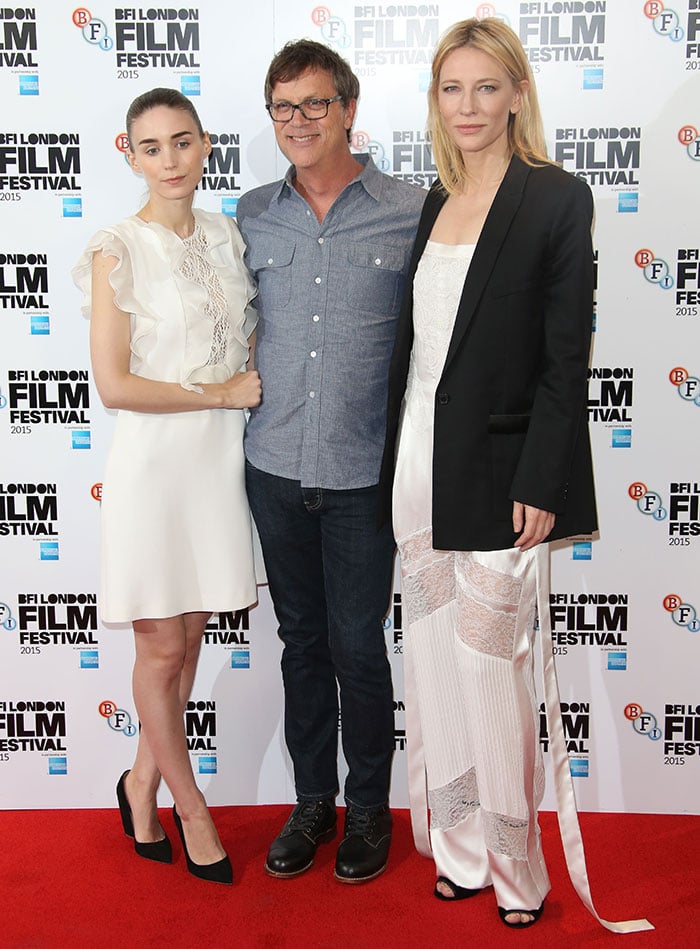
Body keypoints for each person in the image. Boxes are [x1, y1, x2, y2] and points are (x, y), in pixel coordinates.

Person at [379, 18, 652, 934]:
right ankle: (456, 851)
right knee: (433, 663)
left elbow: (564, 356)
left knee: (491, 670)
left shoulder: (555, 198)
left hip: (503, 475)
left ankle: (518, 870)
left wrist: (543, 475)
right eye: (451, 89)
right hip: (418, 464)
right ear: (435, 100)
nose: (469, 107)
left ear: (517, 94)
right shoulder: (433, 202)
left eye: (486, 88)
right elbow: (422, 355)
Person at [236, 40, 425, 883]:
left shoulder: (412, 212)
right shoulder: (250, 215)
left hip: (362, 476)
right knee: (301, 644)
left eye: (316, 104)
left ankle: (371, 811)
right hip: (273, 466)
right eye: (284, 108)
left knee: (358, 647)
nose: (300, 121)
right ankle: (314, 801)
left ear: (349, 107)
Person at [73, 87, 262, 885]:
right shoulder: (116, 247)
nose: (170, 160)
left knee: (187, 641)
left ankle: (141, 780)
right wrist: (220, 394)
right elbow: (114, 385)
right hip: (154, 467)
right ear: (130, 155)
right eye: (152, 147)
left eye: (182, 142)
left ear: (205, 144)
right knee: (161, 645)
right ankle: (193, 810)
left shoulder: (227, 235)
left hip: (215, 466)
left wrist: (230, 398)